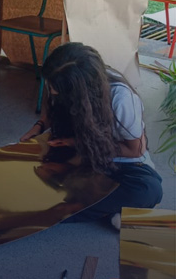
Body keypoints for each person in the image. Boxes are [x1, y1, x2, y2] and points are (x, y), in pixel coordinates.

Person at [20, 42, 163, 227]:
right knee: (30, 176)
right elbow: (53, 109)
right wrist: (38, 127)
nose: (52, 91)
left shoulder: (122, 99)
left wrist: (79, 143)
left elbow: (134, 150)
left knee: (148, 190)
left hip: (122, 164)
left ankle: (71, 209)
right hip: (83, 155)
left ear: (82, 91)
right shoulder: (65, 83)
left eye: (58, 90)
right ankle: (108, 209)